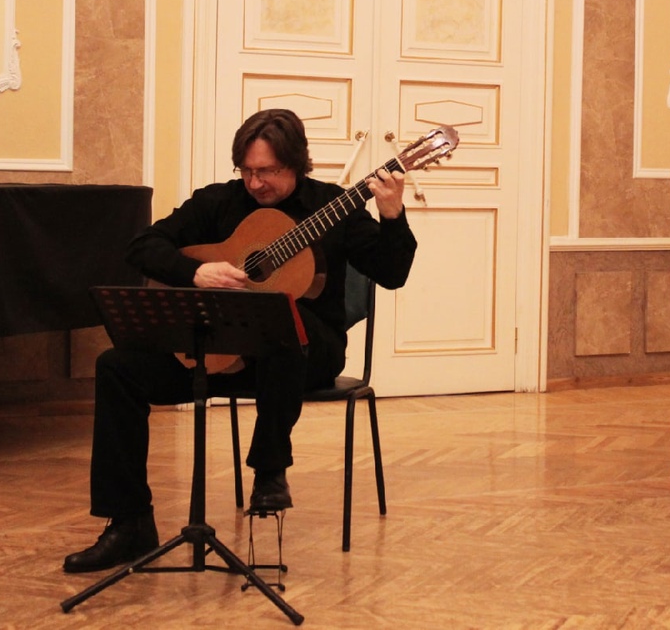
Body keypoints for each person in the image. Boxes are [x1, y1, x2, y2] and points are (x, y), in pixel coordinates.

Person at [64, 108, 417, 573]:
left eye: (267, 171)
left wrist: (392, 217)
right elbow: (143, 247)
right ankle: (129, 523)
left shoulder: (333, 206)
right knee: (117, 367)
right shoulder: (218, 202)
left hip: (303, 355)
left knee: (280, 318)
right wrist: (195, 272)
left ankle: (270, 470)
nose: (255, 183)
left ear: (297, 163)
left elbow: (392, 274)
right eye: (247, 171)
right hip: (220, 351)